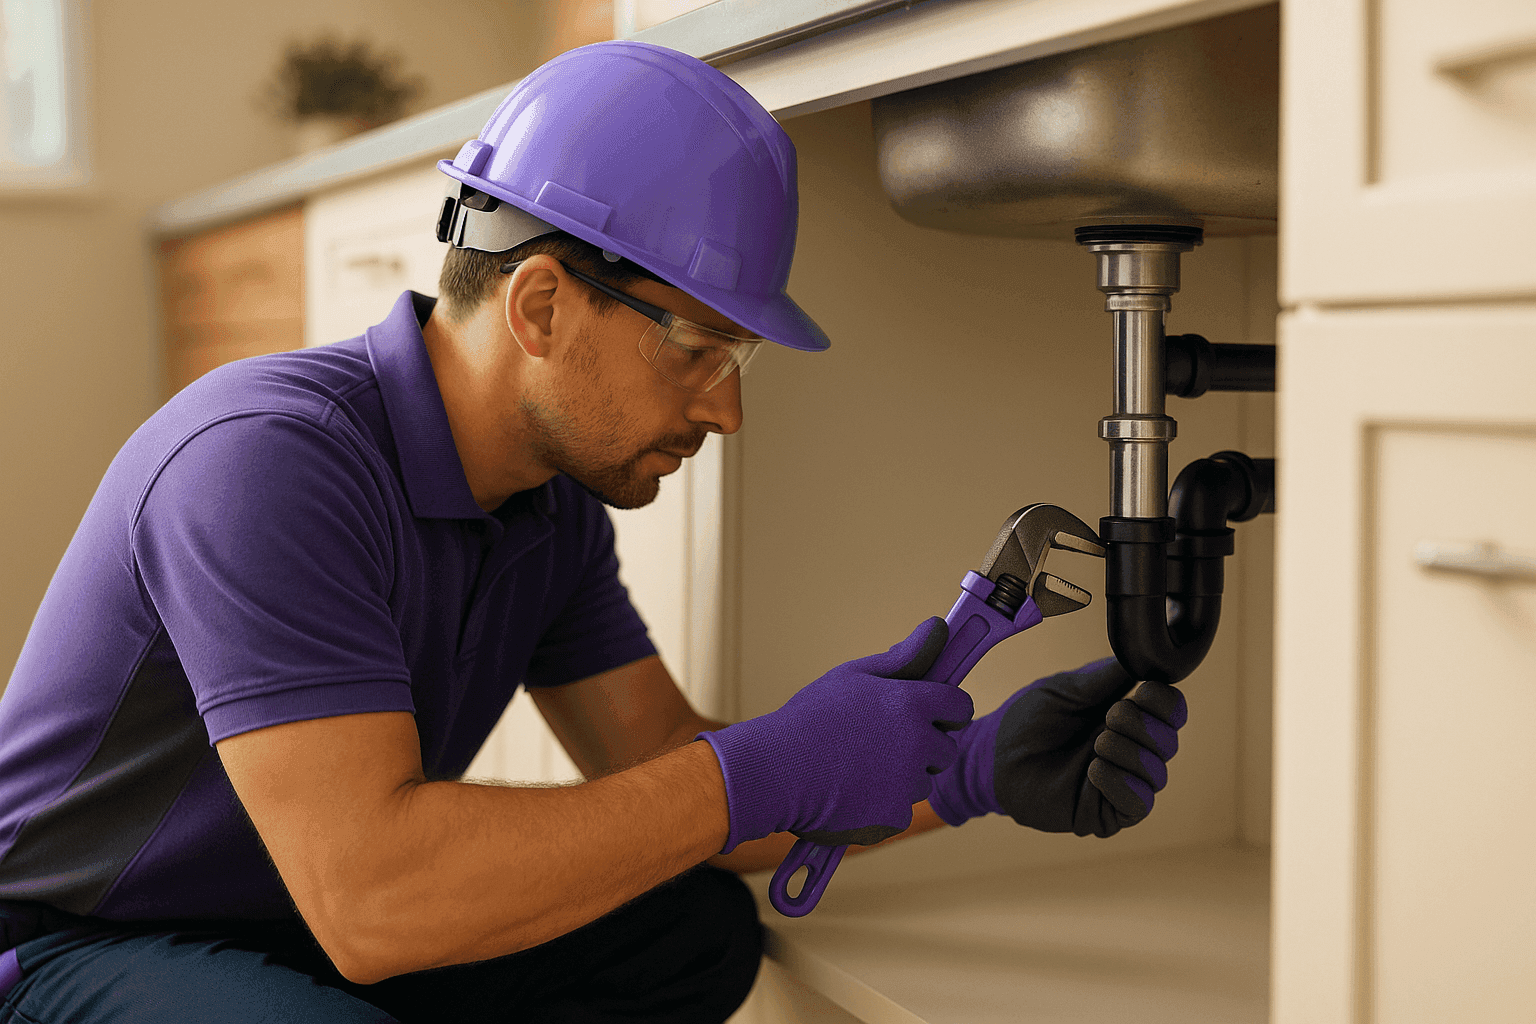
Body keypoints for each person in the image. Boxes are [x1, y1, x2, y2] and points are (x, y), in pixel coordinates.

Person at [0, 41, 1187, 1024]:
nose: (727, 408)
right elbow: (375, 903)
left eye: (741, 359)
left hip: (294, 924)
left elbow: (659, 764)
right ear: (541, 302)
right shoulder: (265, 462)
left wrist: (968, 772)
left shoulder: (550, 505)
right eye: (700, 349)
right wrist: (762, 764)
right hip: (65, 943)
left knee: (689, 933)